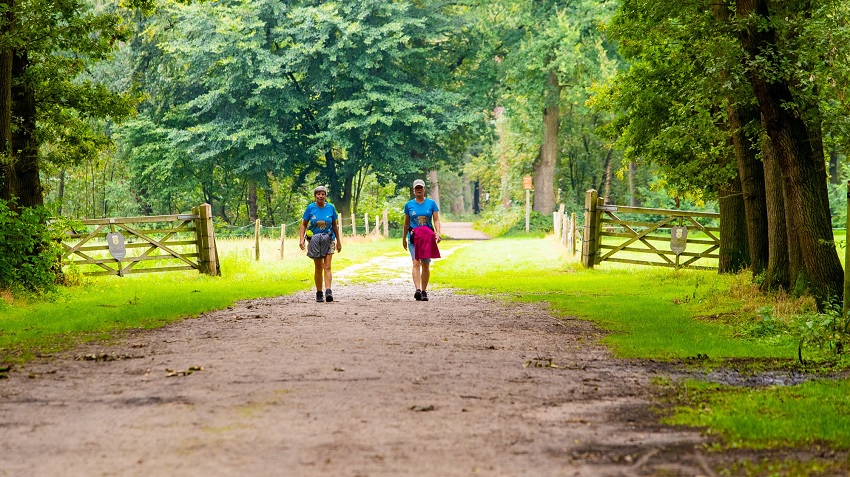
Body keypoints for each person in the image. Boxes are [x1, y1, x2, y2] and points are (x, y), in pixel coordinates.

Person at [299, 186, 342, 302]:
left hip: (329, 239)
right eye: (318, 194)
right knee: (318, 267)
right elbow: (303, 224)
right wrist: (301, 239)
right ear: (315, 196)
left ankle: (328, 291)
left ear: (325, 196)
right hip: (315, 240)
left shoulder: (331, 208)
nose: (320, 196)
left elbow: (334, 226)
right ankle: (319, 292)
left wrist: (338, 241)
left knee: (327, 266)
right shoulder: (310, 208)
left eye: (322, 194)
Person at [402, 179, 441, 301]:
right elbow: (406, 223)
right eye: (416, 188)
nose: (419, 190)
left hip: (427, 238)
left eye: (421, 187)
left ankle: (424, 291)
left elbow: (436, 219)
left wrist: (438, 232)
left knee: (425, 264)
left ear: (424, 189)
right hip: (414, 238)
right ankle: (417, 289)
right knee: (415, 262)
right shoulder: (409, 205)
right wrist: (404, 238)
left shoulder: (431, 203)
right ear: (414, 190)